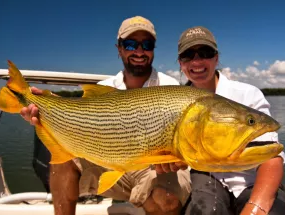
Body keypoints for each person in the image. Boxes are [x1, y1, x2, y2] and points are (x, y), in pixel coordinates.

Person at [20, 16, 191, 215]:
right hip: (109, 164)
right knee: (63, 160)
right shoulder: (104, 89)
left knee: (166, 200)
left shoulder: (170, 88)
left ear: (153, 49)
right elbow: (78, 116)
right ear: (119, 49)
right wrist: (46, 112)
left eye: (147, 44)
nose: (139, 51)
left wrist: (181, 157)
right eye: (130, 44)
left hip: (153, 169)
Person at [170, 26, 285, 215]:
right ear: (180, 63)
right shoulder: (173, 102)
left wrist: (256, 207)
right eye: (188, 55)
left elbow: (273, 156)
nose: (197, 61)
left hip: (251, 180)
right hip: (205, 178)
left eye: (205, 52)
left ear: (216, 58)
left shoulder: (247, 94)